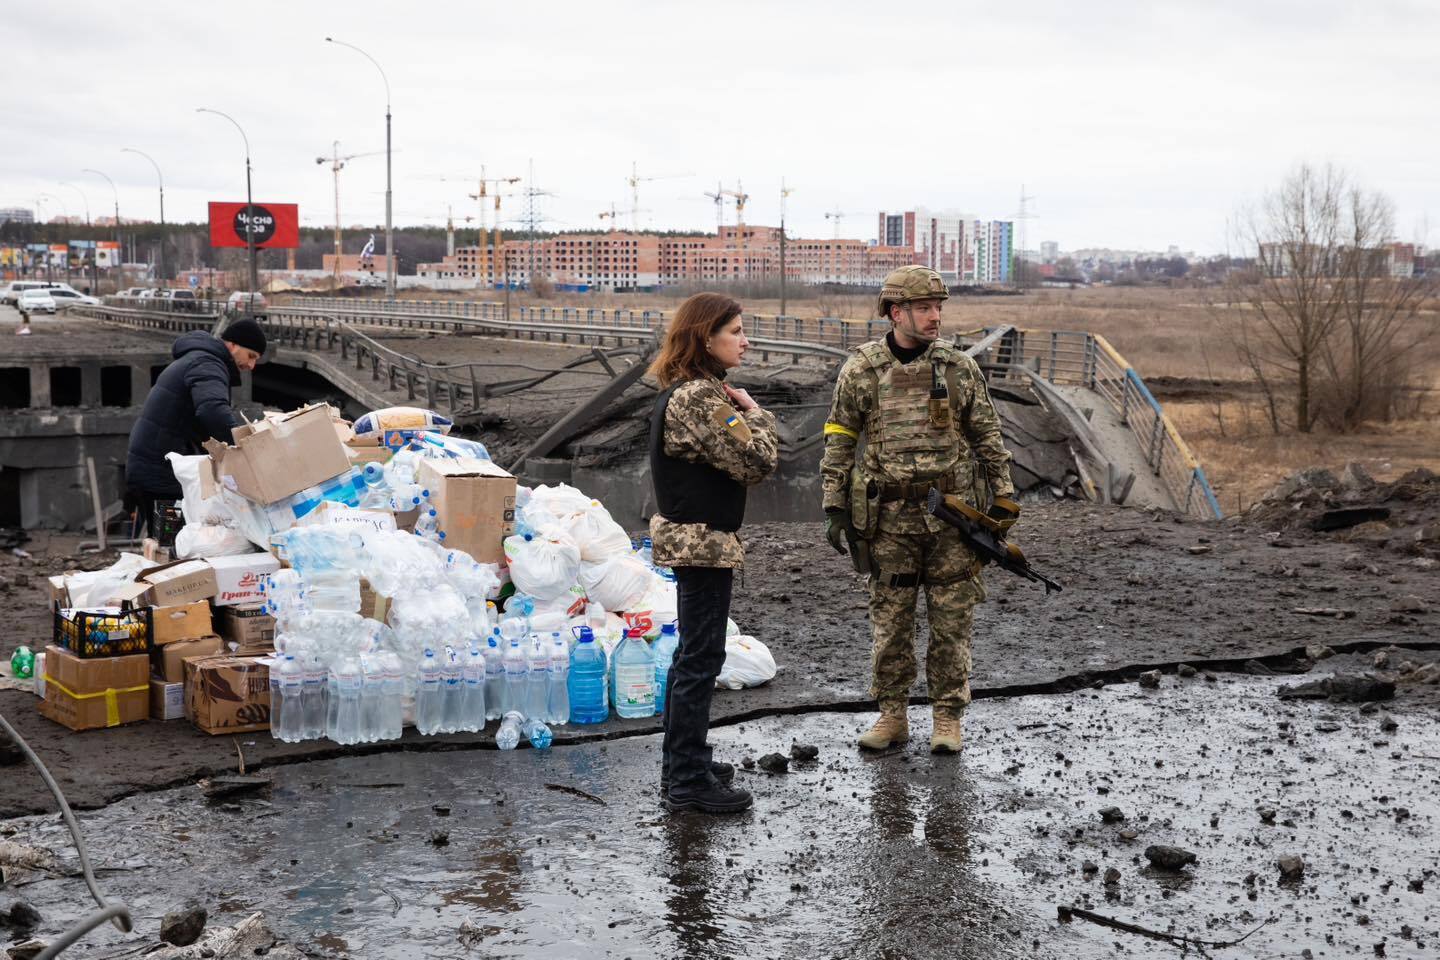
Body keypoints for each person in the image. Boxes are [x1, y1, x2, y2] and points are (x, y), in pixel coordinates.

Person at [820, 266, 1014, 754]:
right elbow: (841, 435)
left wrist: (1003, 495)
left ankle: (948, 718)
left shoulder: (958, 368)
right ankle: (893, 714)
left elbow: (986, 433)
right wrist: (834, 502)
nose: (936, 316)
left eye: (939, 307)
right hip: (888, 522)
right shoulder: (862, 369)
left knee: (952, 621)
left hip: (952, 519)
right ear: (895, 312)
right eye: (925, 308)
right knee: (891, 622)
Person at [649, 292, 779, 814]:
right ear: (706, 336)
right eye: (736, 332)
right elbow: (756, 462)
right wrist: (756, 414)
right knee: (700, 660)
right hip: (701, 543)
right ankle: (686, 781)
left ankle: (690, 760)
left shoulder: (693, 393)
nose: (745, 341)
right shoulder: (701, 400)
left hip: (700, 540)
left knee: (695, 657)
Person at [124, 318, 267, 539]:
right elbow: (212, 411)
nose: (251, 366)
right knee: (172, 545)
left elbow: (202, 422)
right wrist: (244, 449)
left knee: (166, 542)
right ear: (233, 345)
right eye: (251, 356)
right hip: (160, 474)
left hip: (156, 468)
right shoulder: (208, 364)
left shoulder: (201, 360)